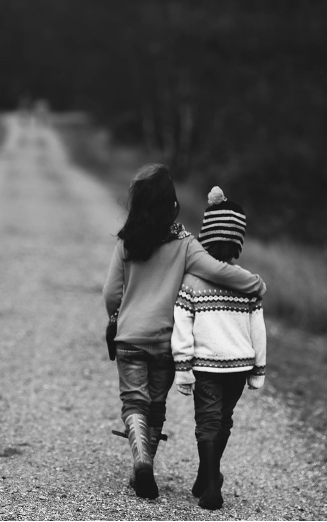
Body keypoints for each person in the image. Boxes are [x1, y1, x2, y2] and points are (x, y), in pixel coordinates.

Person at [102, 166, 266, 500]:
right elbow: (218, 271)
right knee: (156, 406)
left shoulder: (126, 243)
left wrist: (117, 318)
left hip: (130, 338)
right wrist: (255, 284)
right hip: (165, 342)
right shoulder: (185, 244)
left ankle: (142, 460)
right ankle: (147, 462)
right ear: (171, 205)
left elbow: (110, 294)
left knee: (134, 401)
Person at [171, 186, 267, 510]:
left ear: (205, 237)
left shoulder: (193, 280)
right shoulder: (246, 282)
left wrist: (182, 368)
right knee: (223, 421)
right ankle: (207, 475)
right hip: (239, 367)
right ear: (238, 242)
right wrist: (259, 369)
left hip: (207, 366)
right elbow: (258, 329)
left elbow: (182, 325)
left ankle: (211, 484)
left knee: (207, 423)